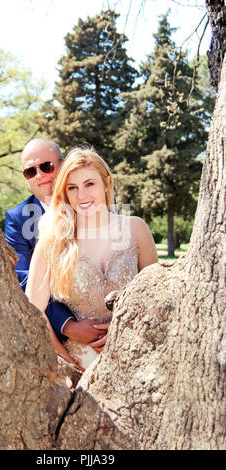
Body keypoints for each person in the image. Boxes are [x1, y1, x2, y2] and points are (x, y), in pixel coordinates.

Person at [26, 147, 158, 372]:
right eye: (72, 188)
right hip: (82, 369)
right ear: (65, 193)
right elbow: (32, 311)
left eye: (90, 184)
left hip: (140, 358)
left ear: (106, 182)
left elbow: (156, 297)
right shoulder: (54, 239)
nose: (82, 196)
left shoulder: (135, 229)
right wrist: (67, 363)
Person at [5, 138, 108, 347]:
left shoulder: (96, 203)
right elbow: (23, 279)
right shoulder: (18, 218)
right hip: (57, 333)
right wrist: (69, 325)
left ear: (63, 165)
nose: (39, 175)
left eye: (46, 166)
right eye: (30, 171)